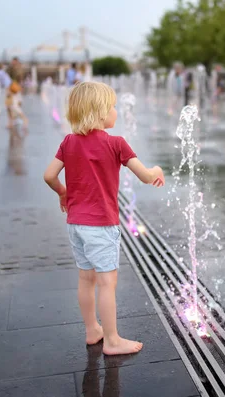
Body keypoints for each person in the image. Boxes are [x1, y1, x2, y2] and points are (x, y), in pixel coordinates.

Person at [43, 82, 165, 355]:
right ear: (99, 113)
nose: (115, 111)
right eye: (111, 106)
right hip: (102, 225)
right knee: (108, 283)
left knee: (87, 279)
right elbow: (146, 176)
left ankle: (92, 330)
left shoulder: (69, 142)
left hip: (76, 224)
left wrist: (63, 193)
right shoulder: (116, 144)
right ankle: (112, 340)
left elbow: (49, 176)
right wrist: (156, 169)